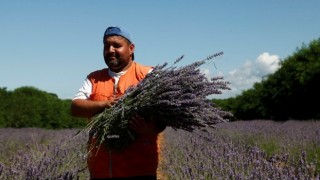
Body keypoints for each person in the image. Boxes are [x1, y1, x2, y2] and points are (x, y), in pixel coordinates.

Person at [71, 26, 166, 179]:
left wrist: (149, 128)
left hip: (139, 171)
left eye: (116, 45)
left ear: (131, 48)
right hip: (101, 171)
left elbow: (164, 115)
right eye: (106, 46)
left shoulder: (148, 75)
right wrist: (104, 104)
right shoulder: (93, 78)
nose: (110, 50)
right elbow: (75, 107)